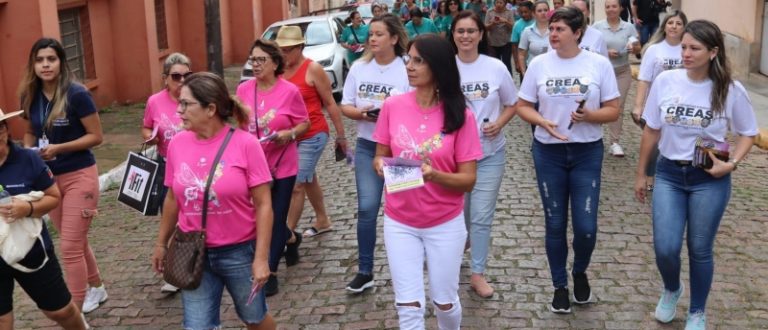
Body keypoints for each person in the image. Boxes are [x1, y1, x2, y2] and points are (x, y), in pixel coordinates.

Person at [634, 20, 758, 330]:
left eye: (694, 48)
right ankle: (673, 288)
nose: (686, 53)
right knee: (665, 246)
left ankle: (697, 311)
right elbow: (651, 129)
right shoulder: (666, 82)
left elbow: (748, 133)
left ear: (713, 52)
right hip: (669, 175)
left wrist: (732, 164)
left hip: (709, 179)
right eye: (684, 47)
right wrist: (641, 174)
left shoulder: (730, 89)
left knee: (700, 247)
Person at [151, 72, 276, 330]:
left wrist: (261, 257)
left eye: (186, 104)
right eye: (179, 103)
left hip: (239, 251)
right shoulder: (177, 144)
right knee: (197, 326)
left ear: (210, 109)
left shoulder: (246, 144)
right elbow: (173, 197)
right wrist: (161, 243)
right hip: (191, 249)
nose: (179, 111)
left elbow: (264, 204)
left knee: (254, 318)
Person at [373, 34, 481, 330]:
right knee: (408, 306)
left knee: (444, 303)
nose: (409, 65)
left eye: (418, 60)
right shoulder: (393, 106)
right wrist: (381, 166)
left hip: (444, 222)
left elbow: (468, 180)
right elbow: (379, 155)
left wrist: (433, 174)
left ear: (439, 66)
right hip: (400, 221)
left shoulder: (461, 115)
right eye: (408, 58)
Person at [516, 7, 620, 314]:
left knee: (586, 227)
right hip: (548, 152)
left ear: (578, 33)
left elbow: (613, 110)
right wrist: (541, 121)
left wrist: (590, 115)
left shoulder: (598, 64)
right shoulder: (538, 65)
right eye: (551, 29)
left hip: (586, 151)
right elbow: (523, 105)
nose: (553, 34)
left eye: (560, 29)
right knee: (555, 222)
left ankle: (580, 271)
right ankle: (559, 285)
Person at [19, 38, 107, 315]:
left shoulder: (77, 94)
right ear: (33, 65)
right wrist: (28, 152)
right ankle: (97, 287)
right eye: (39, 60)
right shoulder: (29, 95)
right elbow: (31, 132)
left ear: (61, 63)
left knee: (68, 247)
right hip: (49, 180)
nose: (45, 65)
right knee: (76, 241)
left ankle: (76, 313)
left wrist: (59, 148)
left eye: (51, 59)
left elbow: (97, 137)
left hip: (80, 174)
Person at [340, 13, 410, 294]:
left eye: (379, 34)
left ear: (394, 38)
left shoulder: (407, 67)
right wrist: (362, 114)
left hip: (399, 150)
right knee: (367, 208)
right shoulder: (359, 68)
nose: (372, 39)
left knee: (403, 210)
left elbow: (420, 104)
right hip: (368, 146)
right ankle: (365, 270)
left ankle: (407, 270)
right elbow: (345, 105)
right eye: (370, 34)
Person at [449, 11, 517, 298]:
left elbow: (512, 104)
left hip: (489, 154)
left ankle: (477, 273)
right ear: (453, 35)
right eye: (460, 31)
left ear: (480, 34)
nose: (465, 36)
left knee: (481, 216)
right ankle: (461, 244)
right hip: (453, 159)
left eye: (471, 31)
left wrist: (499, 123)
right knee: (458, 216)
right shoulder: (444, 67)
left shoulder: (495, 67)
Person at [0, 110, 88, 330]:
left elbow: (53, 197)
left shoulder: (27, 159)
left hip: (32, 249)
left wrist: (27, 208)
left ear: (5, 130)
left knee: (60, 310)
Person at [236, 39, 310, 297]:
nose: (255, 65)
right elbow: (238, 124)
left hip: (283, 163)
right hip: (255, 166)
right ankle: (292, 239)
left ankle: (271, 270)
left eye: (261, 60)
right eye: (252, 60)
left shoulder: (289, 91)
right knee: (259, 218)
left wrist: (289, 134)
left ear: (275, 63)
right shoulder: (244, 90)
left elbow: (304, 123)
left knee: (276, 217)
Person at [274, 26, 347, 253]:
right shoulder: (278, 71)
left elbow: (330, 103)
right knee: (308, 178)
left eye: (288, 49)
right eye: (281, 49)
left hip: (314, 133)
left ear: (300, 47)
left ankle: (285, 235)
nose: (284, 54)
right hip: (289, 137)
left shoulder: (312, 69)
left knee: (297, 185)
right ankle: (323, 220)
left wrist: (341, 135)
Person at [142, 52, 191, 294]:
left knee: (189, 217)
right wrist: (149, 138)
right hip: (165, 164)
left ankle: (183, 266)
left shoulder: (195, 99)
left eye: (186, 75)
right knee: (170, 216)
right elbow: (146, 126)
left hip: (193, 165)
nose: (181, 80)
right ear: (165, 78)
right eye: (176, 76)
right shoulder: (155, 101)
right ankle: (174, 269)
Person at [631, 10, 687, 191]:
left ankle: (671, 176)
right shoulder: (654, 49)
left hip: (682, 105)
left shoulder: (687, 49)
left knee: (673, 141)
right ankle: (649, 175)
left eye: (679, 24)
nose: (674, 27)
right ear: (665, 26)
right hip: (657, 104)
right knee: (654, 142)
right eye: (671, 23)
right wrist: (639, 106)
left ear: (684, 28)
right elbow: (644, 78)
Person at [594, 0, 640, 157]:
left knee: (617, 107)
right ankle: (593, 137)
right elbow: (590, 49)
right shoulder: (597, 27)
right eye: (607, 7)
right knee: (597, 104)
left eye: (614, 6)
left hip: (622, 71)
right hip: (601, 72)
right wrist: (606, 52)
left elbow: (638, 47)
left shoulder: (629, 27)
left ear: (621, 8)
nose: (611, 9)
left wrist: (633, 47)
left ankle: (615, 142)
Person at [518, 0, 550, 75]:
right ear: (534, 14)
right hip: (533, 71)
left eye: (545, 10)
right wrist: (524, 72)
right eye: (539, 11)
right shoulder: (527, 31)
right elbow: (521, 54)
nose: (543, 13)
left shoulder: (556, 29)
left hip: (552, 71)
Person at [484, 0, 515, 74]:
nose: (498, 4)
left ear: (505, 4)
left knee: (506, 63)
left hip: (506, 41)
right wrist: (492, 23)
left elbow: (513, 27)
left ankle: (508, 80)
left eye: (501, 3)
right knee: (495, 63)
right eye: (497, 2)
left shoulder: (509, 12)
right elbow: (485, 27)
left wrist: (505, 21)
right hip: (493, 42)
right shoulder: (490, 12)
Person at [510, 1, 534, 79]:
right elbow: (514, 45)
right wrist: (517, 62)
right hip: (523, 61)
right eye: (521, 12)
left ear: (532, 11)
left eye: (526, 12)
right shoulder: (517, 25)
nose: (523, 14)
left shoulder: (537, 22)